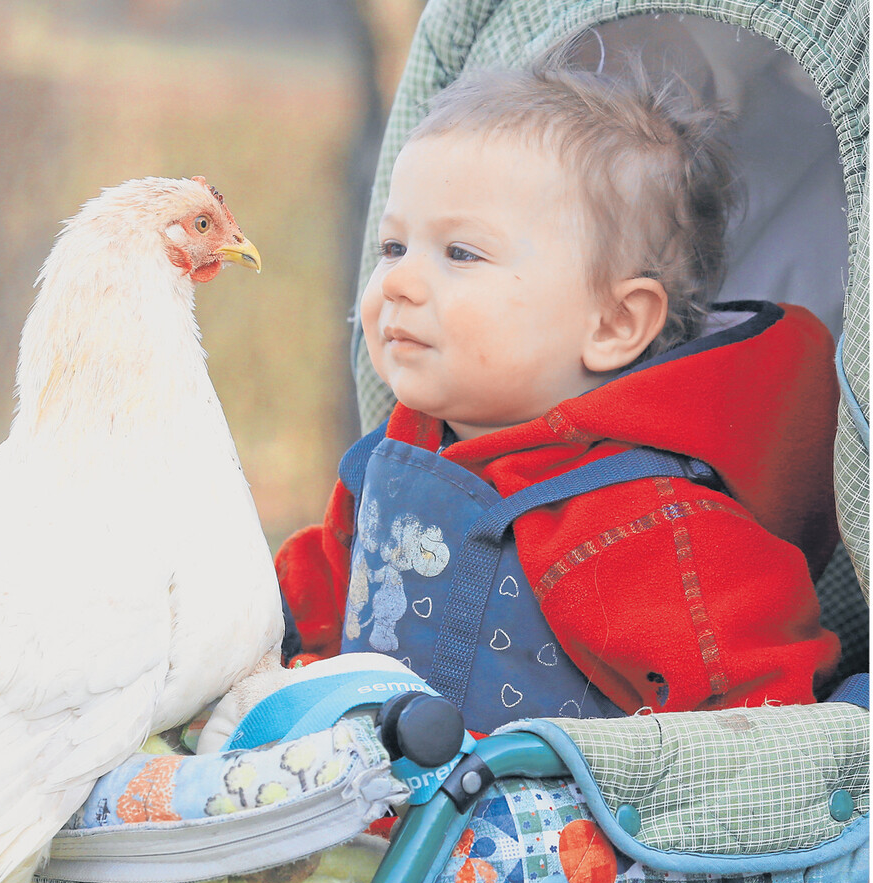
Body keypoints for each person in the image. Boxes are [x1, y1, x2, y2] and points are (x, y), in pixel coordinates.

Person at [275, 62, 841, 734]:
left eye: (460, 252)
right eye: (393, 246)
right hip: (378, 806)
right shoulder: (397, 455)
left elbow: (762, 720)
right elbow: (324, 589)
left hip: (558, 835)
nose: (399, 282)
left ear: (613, 324)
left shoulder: (650, 524)